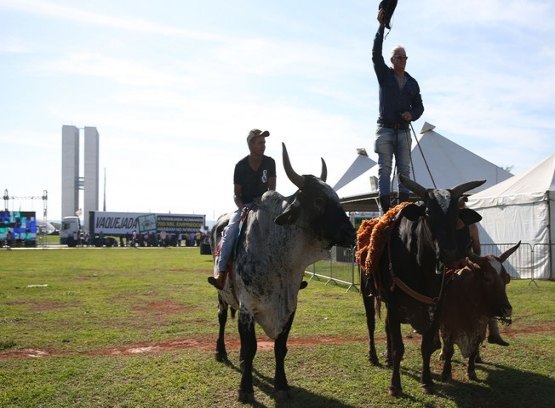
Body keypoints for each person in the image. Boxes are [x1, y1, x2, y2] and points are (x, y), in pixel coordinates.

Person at [208, 129, 276, 290]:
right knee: (230, 232)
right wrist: (242, 208)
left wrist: (264, 198)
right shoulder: (240, 166)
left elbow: (272, 189)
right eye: (260, 142)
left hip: (265, 206)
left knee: (283, 229)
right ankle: (222, 274)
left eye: (264, 143)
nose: (263, 146)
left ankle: (289, 276)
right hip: (245, 205)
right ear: (251, 144)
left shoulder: (270, 162)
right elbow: (236, 195)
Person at [372, 8, 424, 213]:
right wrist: (380, 27)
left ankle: (403, 209)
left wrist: (412, 114)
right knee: (384, 169)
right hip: (385, 129)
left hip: (403, 130)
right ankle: (385, 210)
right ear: (392, 60)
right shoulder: (384, 74)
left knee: (404, 170)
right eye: (398, 57)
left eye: (404, 57)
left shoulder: (412, 82)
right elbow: (375, 54)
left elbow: (420, 106)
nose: (402, 60)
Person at [455, 197, 509, 347]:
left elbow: (476, 248)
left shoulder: (470, 225)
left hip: (465, 264)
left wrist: (474, 262)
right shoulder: (451, 224)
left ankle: (494, 332)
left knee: (488, 290)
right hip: (451, 266)